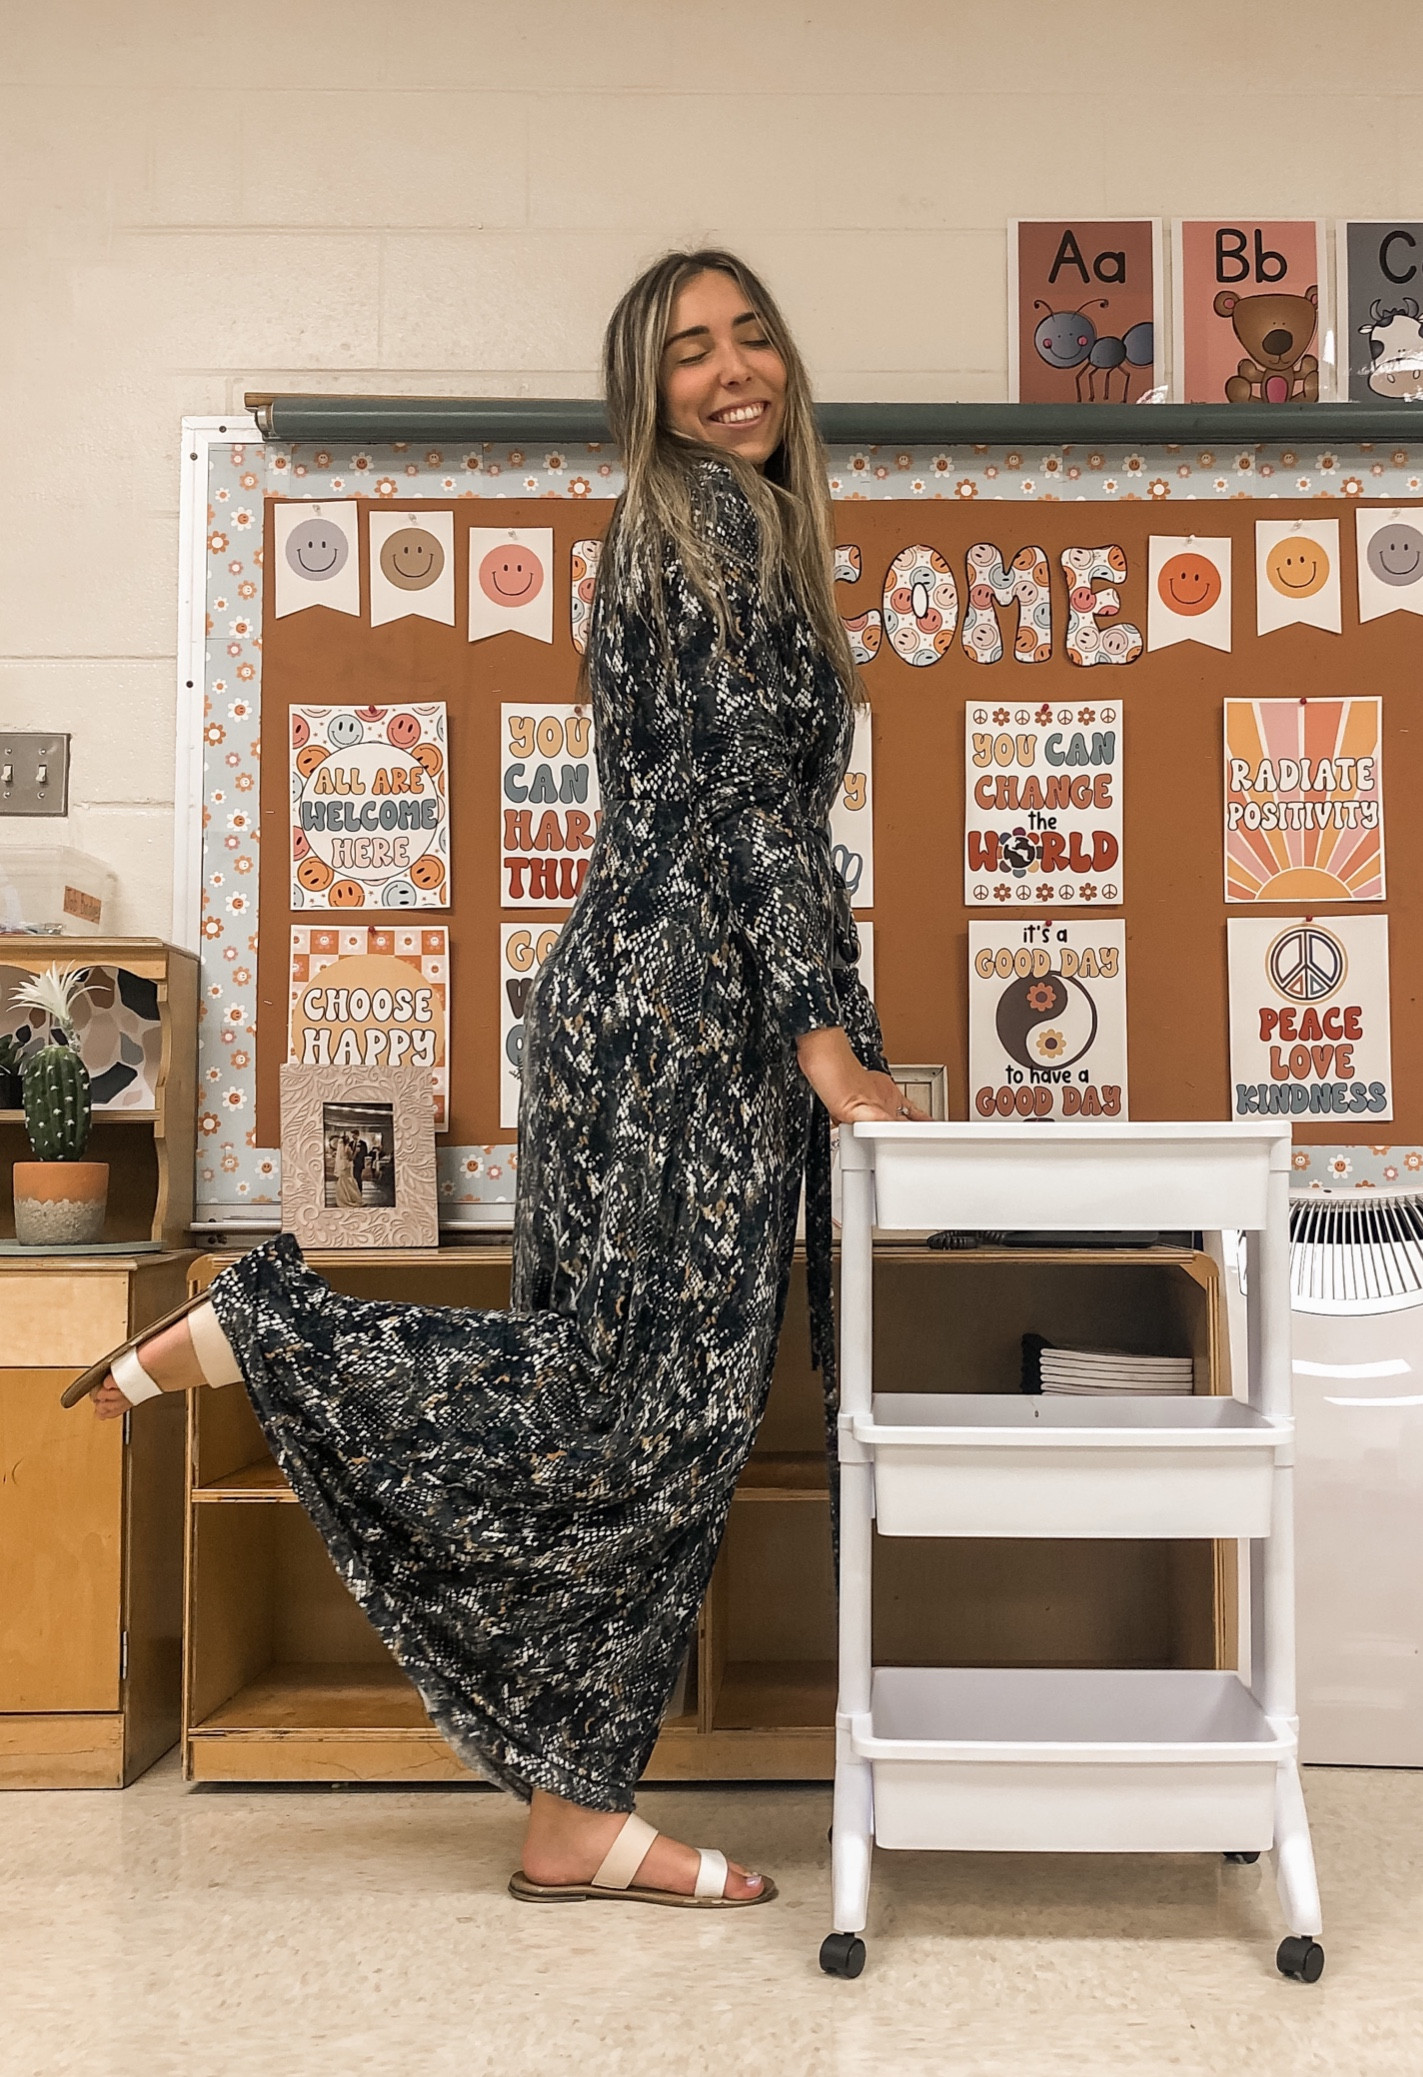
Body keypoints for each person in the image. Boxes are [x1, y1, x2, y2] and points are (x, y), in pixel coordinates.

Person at [75, 248, 928, 1910]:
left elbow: (728, 798)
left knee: (637, 1421)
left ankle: (572, 1813)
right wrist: (828, 1041)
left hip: (645, 997)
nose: (735, 368)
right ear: (646, 393)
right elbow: (756, 799)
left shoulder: (696, 536)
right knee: (640, 1414)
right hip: (696, 1013)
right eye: (690, 350)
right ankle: (280, 1326)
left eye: (754, 335)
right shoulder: (714, 525)